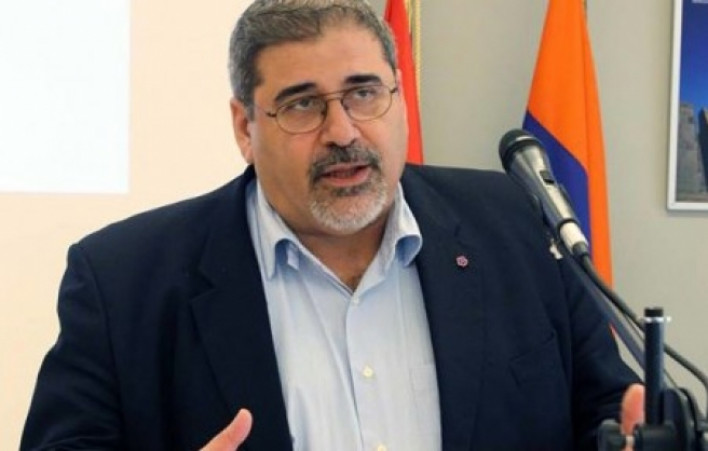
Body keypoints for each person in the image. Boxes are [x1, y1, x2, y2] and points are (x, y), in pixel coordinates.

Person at [21, 0, 644, 449]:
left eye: (364, 93)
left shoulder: (515, 224)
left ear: (399, 99)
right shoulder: (123, 280)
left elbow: (606, 414)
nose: (342, 131)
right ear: (244, 127)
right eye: (302, 105)